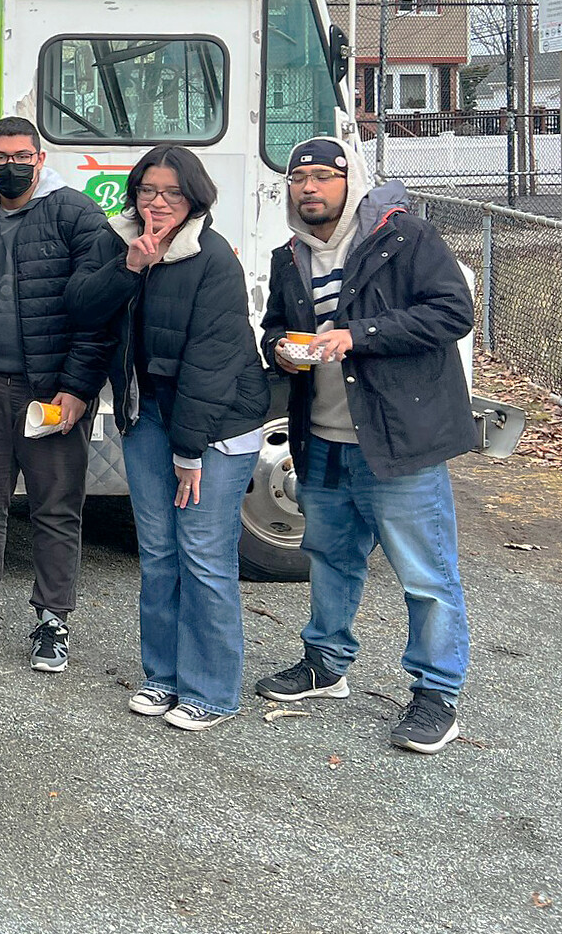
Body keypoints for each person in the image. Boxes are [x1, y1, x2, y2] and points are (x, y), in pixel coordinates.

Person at [255, 138, 477, 755]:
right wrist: (277, 348)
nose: (309, 188)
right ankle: (326, 665)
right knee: (329, 557)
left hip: (398, 442)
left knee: (426, 574)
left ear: (348, 181)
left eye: (323, 177)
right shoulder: (290, 255)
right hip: (322, 438)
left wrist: (359, 335)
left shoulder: (404, 237)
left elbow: (452, 313)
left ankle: (437, 695)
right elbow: (276, 325)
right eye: (299, 179)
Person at [69, 145, 270, 731]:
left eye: (172, 194)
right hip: (146, 417)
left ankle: (211, 690)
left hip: (213, 426)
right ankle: (163, 677)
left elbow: (213, 362)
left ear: (194, 199)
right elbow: (81, 309)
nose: (157, 204)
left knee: (204, 556)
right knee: (158, 554)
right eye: (148, 191)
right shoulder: (120, 243)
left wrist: (190, 452)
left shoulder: (211, 257)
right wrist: (128, 266)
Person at [0, 116, 115, 672]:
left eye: (20, 155)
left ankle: (52, 619)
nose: (8, 165)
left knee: (55, 506)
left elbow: (95, 312)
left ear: (40, 159)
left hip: (49, 392)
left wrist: (78, 387)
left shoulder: (75, 213)